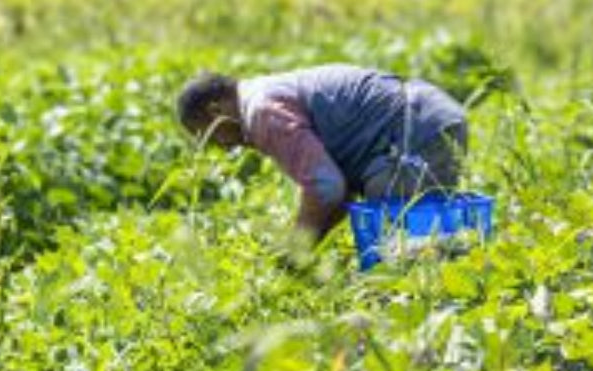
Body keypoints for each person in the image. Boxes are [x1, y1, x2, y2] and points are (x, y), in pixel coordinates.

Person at [175, 64, 468, 247]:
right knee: (415, 242)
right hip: (427, 118)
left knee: (405, 251)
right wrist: (306, 247)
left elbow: (325, 186)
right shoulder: (264, 94)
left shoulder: (261, 113)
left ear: (216, 111)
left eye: (213, 136)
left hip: (413, 132)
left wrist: (295, 250)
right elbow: (337, 195)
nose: (225, 148)